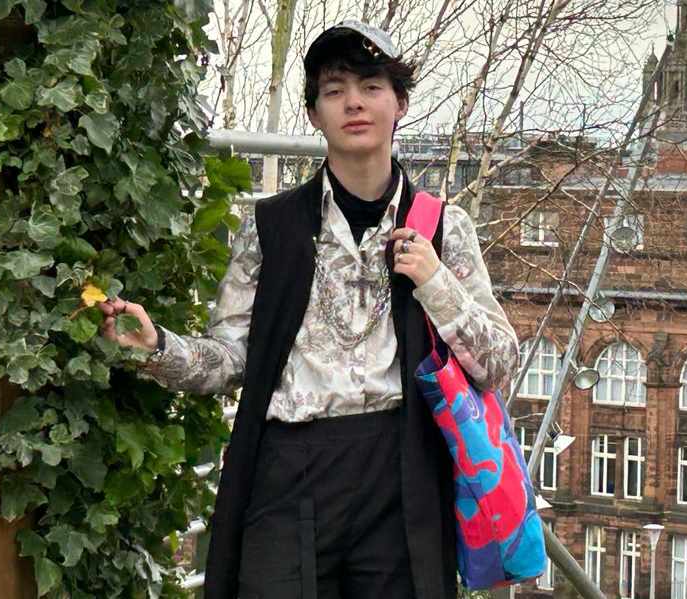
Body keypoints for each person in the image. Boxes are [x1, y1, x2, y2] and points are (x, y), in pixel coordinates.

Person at [98, 20, 520, 599]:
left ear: (399, 102)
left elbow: (498, 365)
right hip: (288, 472)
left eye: (371, 86)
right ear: (314, 113)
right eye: (334, 88)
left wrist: (435, 282)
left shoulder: (445, 229)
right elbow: (231, 360)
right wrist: (158, 348)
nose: (354, 102)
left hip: (398, 475)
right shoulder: (269, 228)